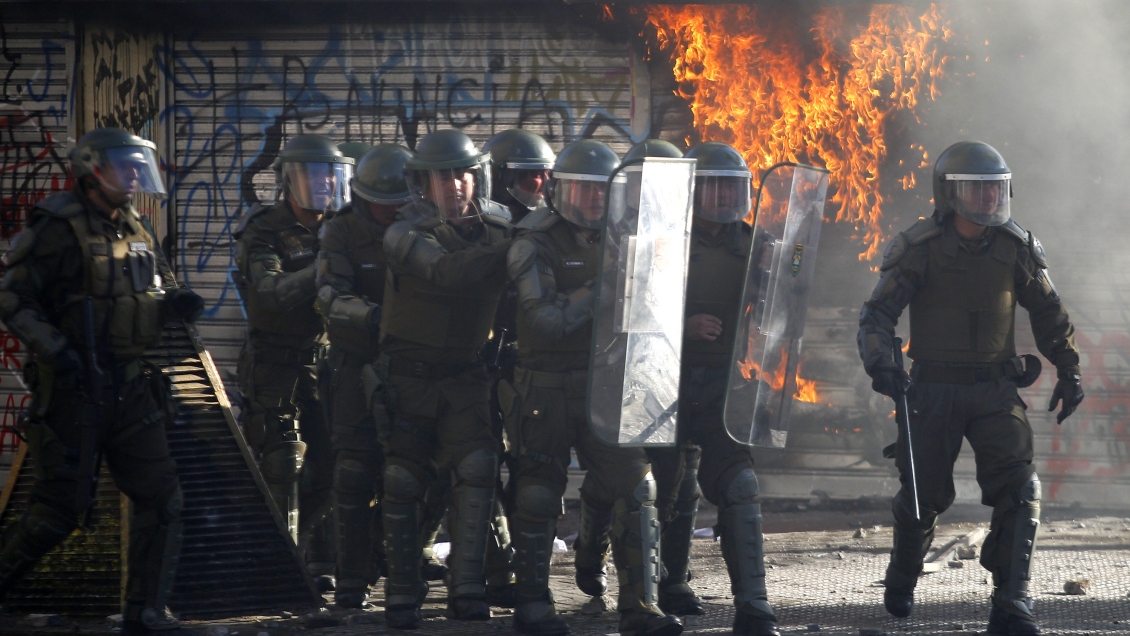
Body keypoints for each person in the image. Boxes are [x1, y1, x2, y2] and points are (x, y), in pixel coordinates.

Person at [858, 141, 1084, 636]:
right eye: (976, 189)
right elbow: (877, 315)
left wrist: (1069, 368)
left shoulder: (1014, 247)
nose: (986, 199)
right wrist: (882, 363)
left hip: (995, 390)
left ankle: (1011, 601)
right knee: (922, 496)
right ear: (950, 193)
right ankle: (902, 576)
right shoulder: (920, 249)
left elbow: (1048, 311)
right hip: (932, 390)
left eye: (994, 188)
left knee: (1021, 489)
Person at [0, 127, 204, 635]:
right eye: (125, 165)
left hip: (132, 385)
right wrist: (55, 350)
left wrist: (173, 302)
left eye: (140, 165)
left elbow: (151, 284)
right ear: (94, 170)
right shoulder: (58, 227)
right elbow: (12, 299)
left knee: (163, 498)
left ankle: (146, 611)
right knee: (57, 510)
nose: (135, 174)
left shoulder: (133, 223)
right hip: (74, 388)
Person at [504, 139, 683, 636]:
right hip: (544, 388)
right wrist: (610, 286)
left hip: (608, 381)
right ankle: (534, 604)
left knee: (636, 484)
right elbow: (545, 320)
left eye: (603, 190)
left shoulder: (630, 236)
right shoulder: (533, 240)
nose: (594, 200)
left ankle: (640, 608)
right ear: (561, 190)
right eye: (582, 189)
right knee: (539, 494)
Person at [377, 128, 513, 628]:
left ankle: (469, 587)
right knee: (403, 479)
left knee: (477, 470)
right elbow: (449, 272)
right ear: (423, 183)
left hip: (467, 376)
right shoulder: (404, 234)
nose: (456, 184)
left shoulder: (500, 228)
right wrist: (516, 247)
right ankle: (402, 589)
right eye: (443, 176)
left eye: (464, 174)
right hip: (409, 378)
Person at [568, 139, 706, 618]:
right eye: (644, 180)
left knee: (679, 480)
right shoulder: (605, 233)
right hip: (615, 370)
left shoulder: (690, 233)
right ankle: (599, 562)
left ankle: (673, 579)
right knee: (627, 479)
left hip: (672, 373)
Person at [234, 135, 352, 587]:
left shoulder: (340, 226)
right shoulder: (263, 229)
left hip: (324, 361)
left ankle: (308, 559)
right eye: (312, 175)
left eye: (330, 175)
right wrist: (323, 267)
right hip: (274, 364)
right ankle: (277, 571)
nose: (323, 185)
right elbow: (271, 292)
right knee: (283, 465)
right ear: (288, 180)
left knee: (330, 463)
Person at [316, 143, 411, 608]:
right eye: (381, 202)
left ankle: (394, 571)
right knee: (353, 473)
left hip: (415, 367)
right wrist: (375, 318)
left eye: (399, 202)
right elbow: (332, 293)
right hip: (357, 364)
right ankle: (350, 579)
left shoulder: (423, 227)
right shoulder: (342, 232)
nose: (390, 211)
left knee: (411, 475)